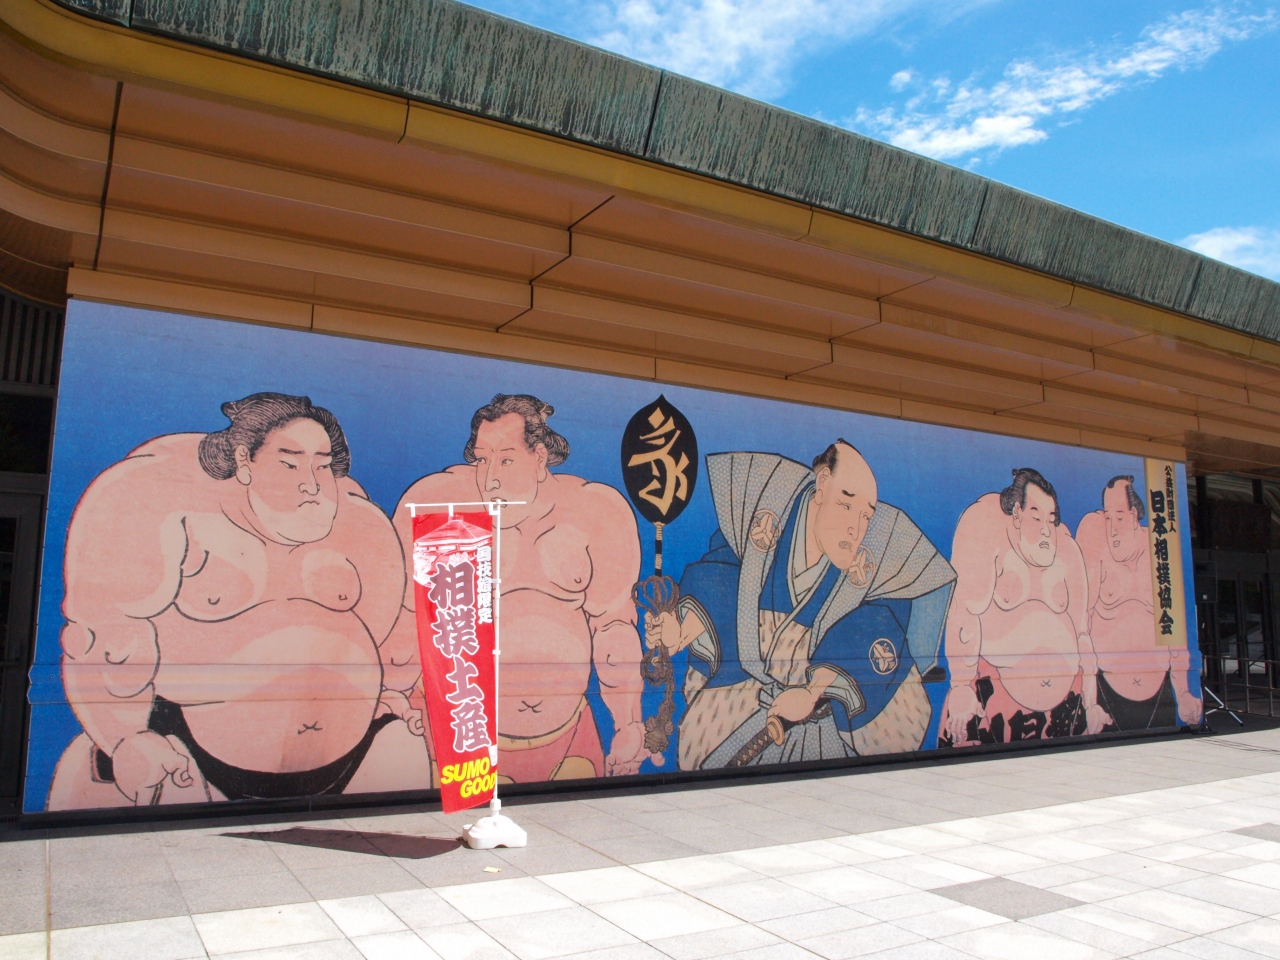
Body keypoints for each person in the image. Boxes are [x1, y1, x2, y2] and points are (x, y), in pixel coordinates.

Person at [48, 393, 422, 809]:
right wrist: (123, 737)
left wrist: (377, 694)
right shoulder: (161, 502)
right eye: (290, 463)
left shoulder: (359, 522)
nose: (312, 484)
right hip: (187, 758)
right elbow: (101, 634)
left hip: (354, 758)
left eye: (322, 465)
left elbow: (384, 633)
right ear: (245, 459)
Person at [645, 441, 955, 769]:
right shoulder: (759, 507)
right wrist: (681, 630)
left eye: (866, 515)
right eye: (846, 505)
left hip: (817, 717)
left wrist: (811, 692)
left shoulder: (878, 555)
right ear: (822, 484)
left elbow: (875, 630)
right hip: (743, 698)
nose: (856, 528)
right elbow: (722, 582)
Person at [391, 394, 649, 782]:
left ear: (540, 457)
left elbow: (614, 629)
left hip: (566, 734)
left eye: (506, 460)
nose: (490, 478)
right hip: (459, 731)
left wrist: (628, 724)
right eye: (482, 460)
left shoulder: (595, 511)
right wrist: (390, 695)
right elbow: (411, 621)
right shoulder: (441, 504)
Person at [940, 468, 1109, 747]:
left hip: (1064, 708)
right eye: (1036, 517)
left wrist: (1091, 703)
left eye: (1050, 519)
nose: (1046, 529)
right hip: (991, 700)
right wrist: (960, 685)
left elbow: (1082, 633)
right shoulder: (984, 528)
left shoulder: (1066, 548)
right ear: (1017, 512)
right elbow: (964, 613)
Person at [1075, 475, 1201, 729]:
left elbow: (1173, 630)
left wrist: (1183, 693)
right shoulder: (1096, 548)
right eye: (1108, 517)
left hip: (1160, 690)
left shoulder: (1159, 551)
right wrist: (1089, 702)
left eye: (1119, 517)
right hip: (1106, 691)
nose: (1112, 528)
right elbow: (1082, 625)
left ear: (1134, 515)